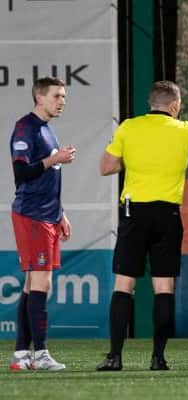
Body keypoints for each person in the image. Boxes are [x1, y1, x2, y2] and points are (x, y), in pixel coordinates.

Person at [96, 80, 188, 371]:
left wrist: (137, 160)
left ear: (150, 103)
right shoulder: (185, 130)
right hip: (168, 215)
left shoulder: (128, 127)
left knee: (124, 285)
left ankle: (115, 357)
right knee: (163, 287)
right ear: (175, 106)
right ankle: (158, 358)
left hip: (134, 212)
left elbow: (107, 167)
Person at [9, 77, 75, 371]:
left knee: (30, 286)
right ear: (39, 97)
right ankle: (41, 354)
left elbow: (50, 179)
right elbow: (22, 173)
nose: (62, 101)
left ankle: (22, 354)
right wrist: (54, 159)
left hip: (47, 215)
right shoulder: (25, 127)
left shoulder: (47, 130)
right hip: (32, 214)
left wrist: (60, 213)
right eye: (57, 96)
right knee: (42, 283)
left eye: (64, 96)